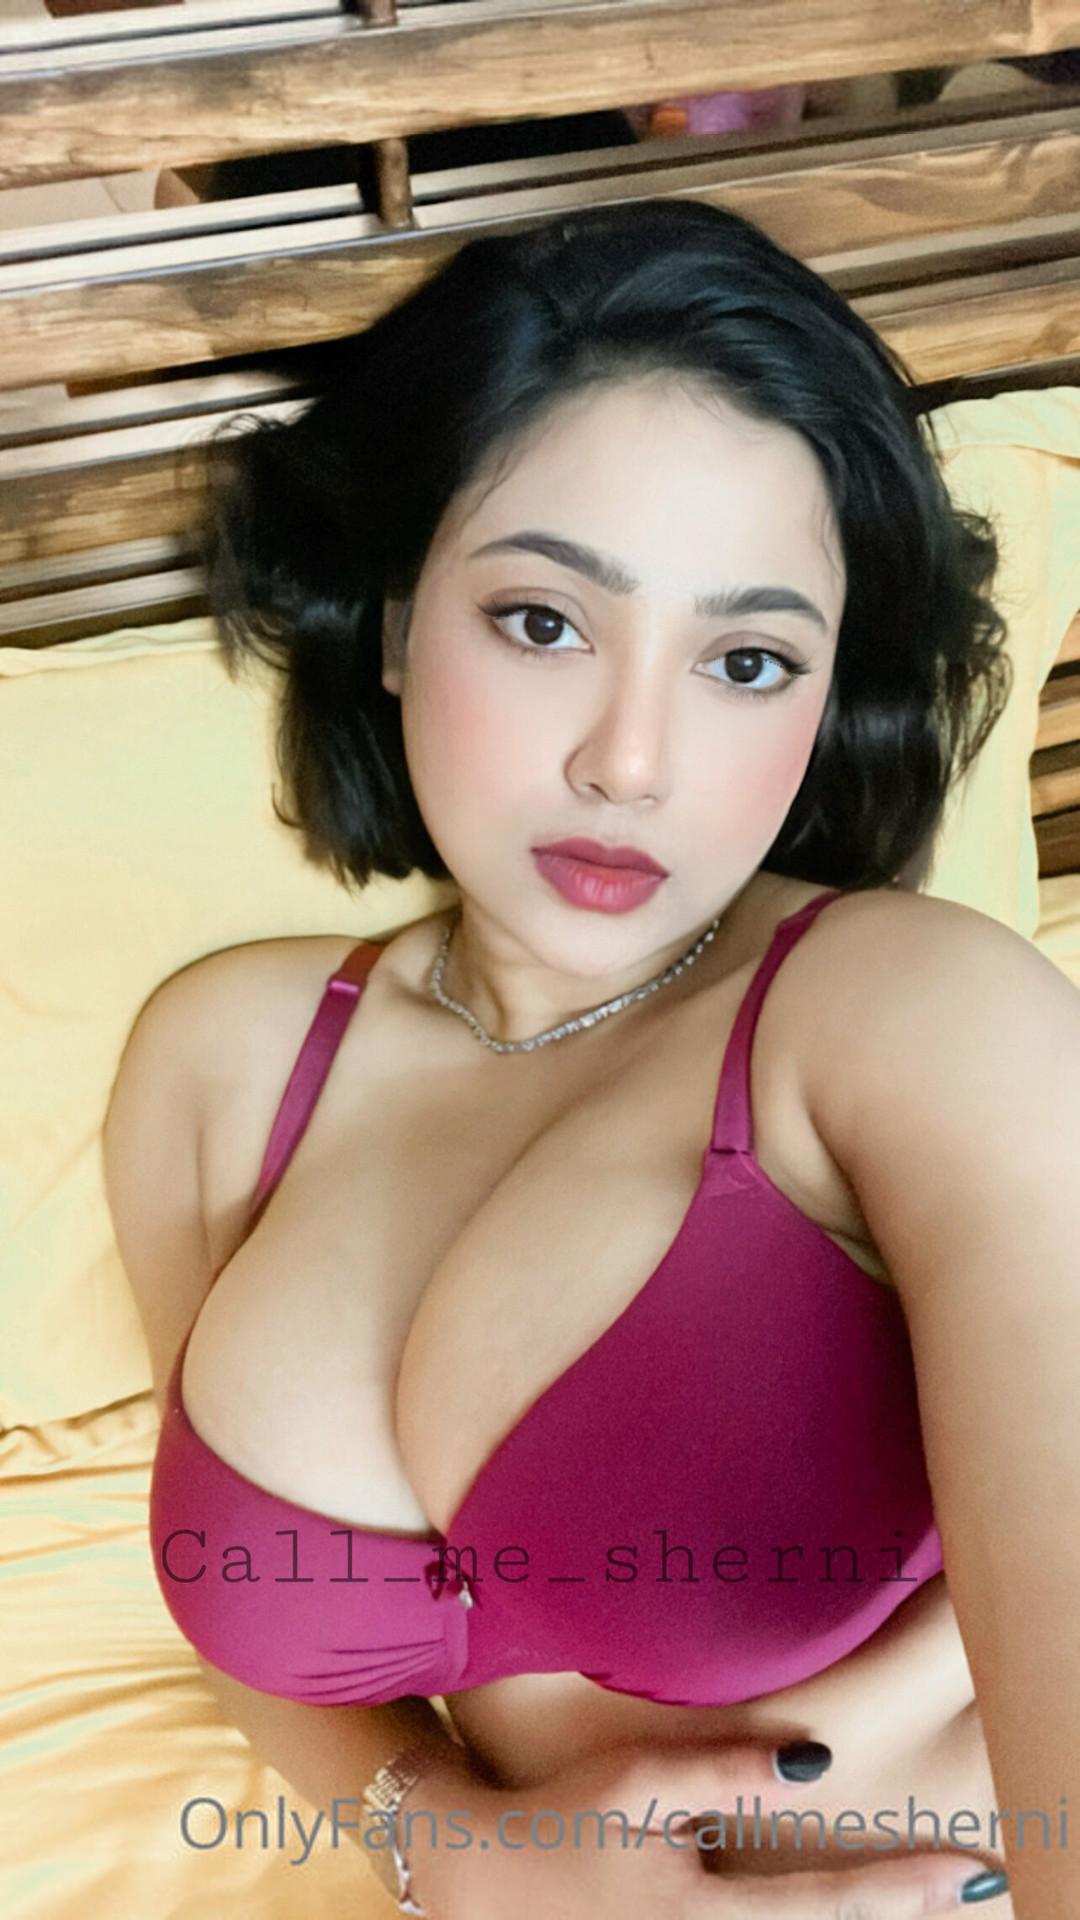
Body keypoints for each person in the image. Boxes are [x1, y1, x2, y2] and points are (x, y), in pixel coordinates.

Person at [104, 197, 1080, 1918]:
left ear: (828, 703)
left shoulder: (920, 1021)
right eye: (545, 622)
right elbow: (258, 1648)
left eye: (748, 661)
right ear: (395, 618)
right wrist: (450, 1851)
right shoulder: (222, 1065)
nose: (632, 762)